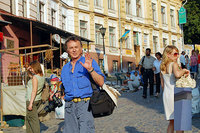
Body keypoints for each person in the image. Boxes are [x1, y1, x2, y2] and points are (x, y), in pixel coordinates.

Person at [60, 36, 105, 133]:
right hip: (69, 107)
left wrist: (90, 70)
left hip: (85, 105)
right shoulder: (65, 68)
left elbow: (101, 82)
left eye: (76, 47)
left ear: (81, 49)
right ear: (67, 50)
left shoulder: (89, 62)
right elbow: (64, 86)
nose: (74, 50)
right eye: (71, 48)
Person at [160, 45, 189, 133]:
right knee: (180, 123)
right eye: (175, 54)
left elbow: (162, 85)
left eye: (178, 54)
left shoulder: (162, 66)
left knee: (172, 122)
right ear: (168, 54)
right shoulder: (174, 64)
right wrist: (184, 70)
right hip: (177, 93)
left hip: (167, 94)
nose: (177, 56)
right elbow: (177, 74)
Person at [26, 60, 45, 133]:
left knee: (33, 121)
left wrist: (30, 103)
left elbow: (34, 90)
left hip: (32, 100)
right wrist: (28, 70)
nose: (30, 70)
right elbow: (31, 76)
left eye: (31, 68)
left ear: (35, 67)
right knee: (29, 119)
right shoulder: (41, 77)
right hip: (37, 99)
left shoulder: (35, 78)